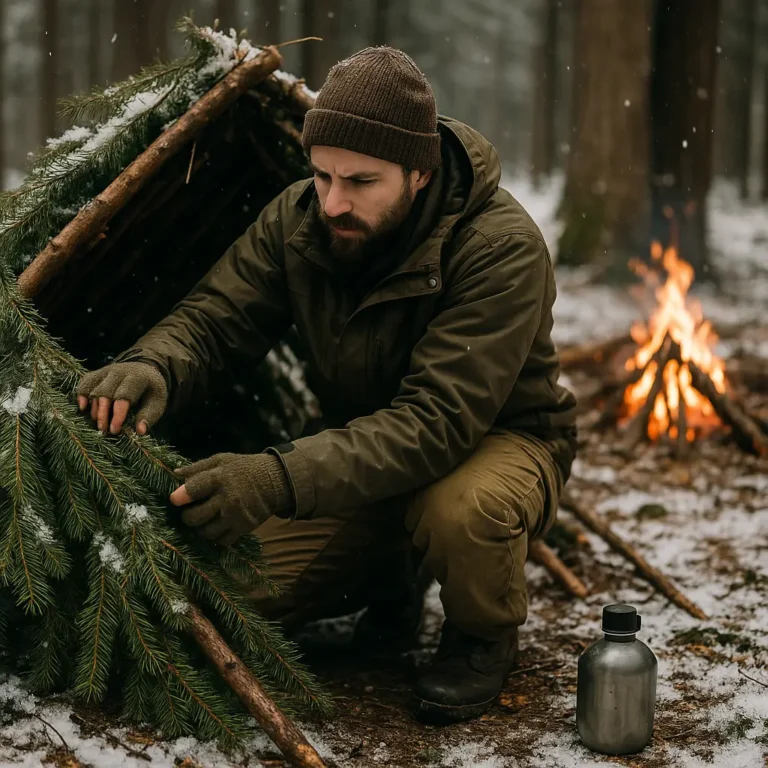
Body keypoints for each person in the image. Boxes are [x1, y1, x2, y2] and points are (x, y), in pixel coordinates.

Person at [76, 46, 578, 724]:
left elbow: (436, 425)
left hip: (495, 445)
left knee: (463, 510)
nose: (334, 202)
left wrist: (275, 479)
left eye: (361, 182)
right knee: (234, 593)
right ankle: (392, 575)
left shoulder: (498, 247)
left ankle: (482, 634)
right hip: (362, 453)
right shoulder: (300, 219)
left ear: (419, 172)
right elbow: (216, 318)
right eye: (322, 177)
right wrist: (155, 365)